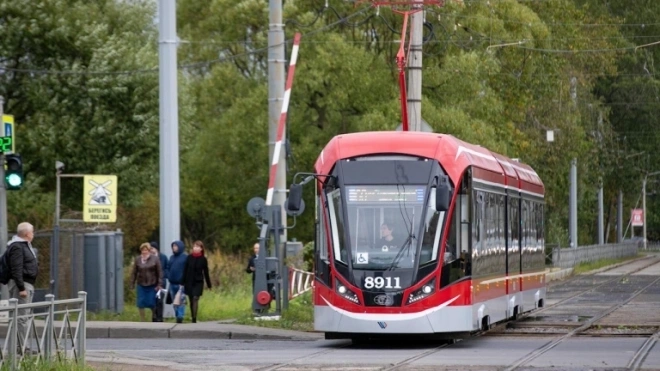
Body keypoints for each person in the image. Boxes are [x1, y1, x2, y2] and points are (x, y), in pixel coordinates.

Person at [7, 222, 38, 354]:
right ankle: (20, 348)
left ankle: (20, 346)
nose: (33, 233)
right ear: (27, 234)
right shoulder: (18, 247)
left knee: (23, 316)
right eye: (32, 231)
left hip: (26, 284)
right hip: (23, 285)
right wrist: (21, 288)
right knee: (21, 317)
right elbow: (16, 268)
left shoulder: (23, 246)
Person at [182, 240, 212, 323]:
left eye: (198, 247)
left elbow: (206, 272)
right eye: (195, 246)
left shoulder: (203, 259)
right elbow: (185, 270)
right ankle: (192, 315)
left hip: (198, 282)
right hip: (189, 281)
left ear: (201, 249)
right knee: (191, 299)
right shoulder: (189, 257)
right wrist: (182, 282)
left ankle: (194, 318)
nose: (196, 248)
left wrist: (209, 285)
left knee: (195, 297)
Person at [132, 242, 162, 322]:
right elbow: (134, 272)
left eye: (146, 250)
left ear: (149, 251)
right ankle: (142, 319)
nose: (144, 252)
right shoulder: (138, 259)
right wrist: (132, 283)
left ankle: (154, 316)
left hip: (152, 284)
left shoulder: (155, 259)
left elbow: (159, 272)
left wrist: (159, 284)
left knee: (151, 302)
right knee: (140, 303)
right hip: (141, 284)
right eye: (143, 250)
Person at [168, 240, 188, 323]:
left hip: (181, 284)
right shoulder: (171, 258)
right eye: (173, 246)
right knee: (174, 302)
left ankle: (180, 316)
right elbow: (168, 268)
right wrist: (168, 275)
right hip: (172, 283)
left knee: (181, 301)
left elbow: (187, 270)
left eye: (176, 246)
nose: (174, 248)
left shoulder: (185, 257)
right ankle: (177, 315)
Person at [149, 241, 169, 322]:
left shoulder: (163, 257)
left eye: (152, 248)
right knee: (153, 301)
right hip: (152, 282)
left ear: (156, 249)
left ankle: (160, 318)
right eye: (150, 249)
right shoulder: (149, 258)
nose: (151, 250)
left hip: (161, 282)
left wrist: (164, 275)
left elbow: (167, 267)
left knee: (160, 300)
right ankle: (154, 317)